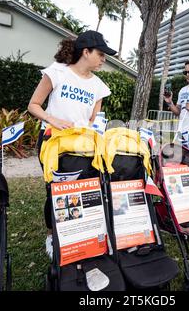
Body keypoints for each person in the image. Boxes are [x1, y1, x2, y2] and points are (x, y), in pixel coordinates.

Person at [27, 30, 117, 259]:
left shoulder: (99, 86)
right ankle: (51, 236)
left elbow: (93, 120)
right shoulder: (57, 72)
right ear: (85, 52)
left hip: (82, 146)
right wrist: (53, 119)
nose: (104, 59)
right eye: (101, 54)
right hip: (53, 142)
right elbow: (34, 105)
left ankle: (77, 234)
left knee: (85, 189)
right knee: (55, 191)